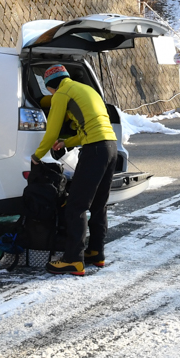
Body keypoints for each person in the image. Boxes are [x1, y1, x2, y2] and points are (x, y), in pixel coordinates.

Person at [32, 64, 119, 276]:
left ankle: (73, 259)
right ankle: (96, 252)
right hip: (110, 147)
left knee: (75, 206)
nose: (51, 94)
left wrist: (37, 155)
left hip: (95, 151)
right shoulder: (87, 90)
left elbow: (51, 130)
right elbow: (91, 127)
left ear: (51, 85)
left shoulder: (61, 93)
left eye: (49, 90)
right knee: (99, 204)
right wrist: (68, 142)